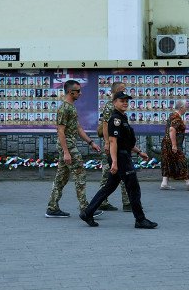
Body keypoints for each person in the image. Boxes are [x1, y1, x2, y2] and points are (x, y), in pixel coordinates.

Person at [80, 92, 157, 229]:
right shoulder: (115, 119)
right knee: (133, 188)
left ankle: (88, 212)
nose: (125, 103)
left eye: (127, 101)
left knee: (109, 187)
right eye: (122, 100)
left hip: (123, 155)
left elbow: (125, 142)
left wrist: (139, 152)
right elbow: (113, 141)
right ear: (114, 102)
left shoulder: (123, 117)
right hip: (120, 158)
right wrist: (115, 162)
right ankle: (140, 219)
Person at [45, 79, 102, 218]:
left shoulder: (71, 107)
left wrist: (91, 143)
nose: (81, 93)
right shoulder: (64, 108)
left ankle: (52, 208)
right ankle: (85, 209)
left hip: (69, 146)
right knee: (80, 174)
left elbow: (78, 128)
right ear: (71, 92)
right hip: (68, 146)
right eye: (78, 91)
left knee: (61, 178)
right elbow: (60, 131)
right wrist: (66, 152)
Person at [95, 81, 131, 211]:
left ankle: (122, 201)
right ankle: (122, 202)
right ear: (117, 91)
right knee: (111, 173)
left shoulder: (117, 106)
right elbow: (105, 125)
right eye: (123, 89)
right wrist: (107, 143)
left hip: (119, 144)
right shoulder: (111, 107)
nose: (125, 92)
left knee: (115, 174)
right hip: (113, 145)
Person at [160, 99, 189, 190]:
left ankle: (164, 183)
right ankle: (188, 182)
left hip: (166, 142)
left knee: (167, 162)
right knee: (182, 161)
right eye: (186, 107)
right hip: (173, 143)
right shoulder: (176, 117)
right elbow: (172, 130)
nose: (186, 109)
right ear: (181, 108)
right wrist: (174, 145)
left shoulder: (172, 115)